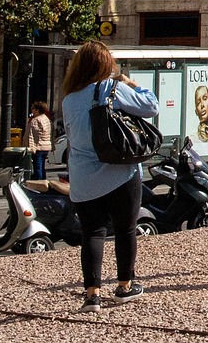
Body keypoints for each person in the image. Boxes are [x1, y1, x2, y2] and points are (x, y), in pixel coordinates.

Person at [61, 40, 158, 310]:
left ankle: (92, 295)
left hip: (83, 178)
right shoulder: (110, 88)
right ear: (107, 65)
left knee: (92, 234)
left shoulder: (69, 99)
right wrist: (133, 85)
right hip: (121, 173)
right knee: (126, 230)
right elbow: (151, 107)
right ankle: (124, 286)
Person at [25, 101, 53, 180]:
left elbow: (31, 135)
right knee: (42, 167)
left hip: (38, 147)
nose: (32, 110)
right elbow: (52, 133)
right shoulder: (47, 119)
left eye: (33, 108)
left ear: (37, 110)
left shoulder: (35, 120)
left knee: (37, 167)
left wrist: (31, 148)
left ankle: (39, 184)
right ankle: (44, 183)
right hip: (46, 146)